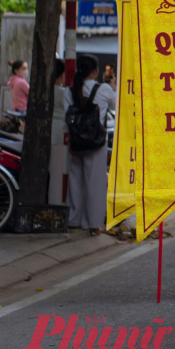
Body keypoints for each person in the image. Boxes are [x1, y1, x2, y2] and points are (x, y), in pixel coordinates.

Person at [64, 54, 116, 233]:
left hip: (76, 141)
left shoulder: (69, 91)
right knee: (95, 182)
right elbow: (116, 105)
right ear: (94, 71)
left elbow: (67, 116)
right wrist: (114, 85)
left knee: (75, 180)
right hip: (96, 142)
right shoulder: (104, 89)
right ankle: (93, 223)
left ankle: (72, 220)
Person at [49, 59, 67, 205]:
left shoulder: (43, 92)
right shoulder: (62, 93)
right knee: (57, 170)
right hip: (59, 131)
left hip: (49, 129)